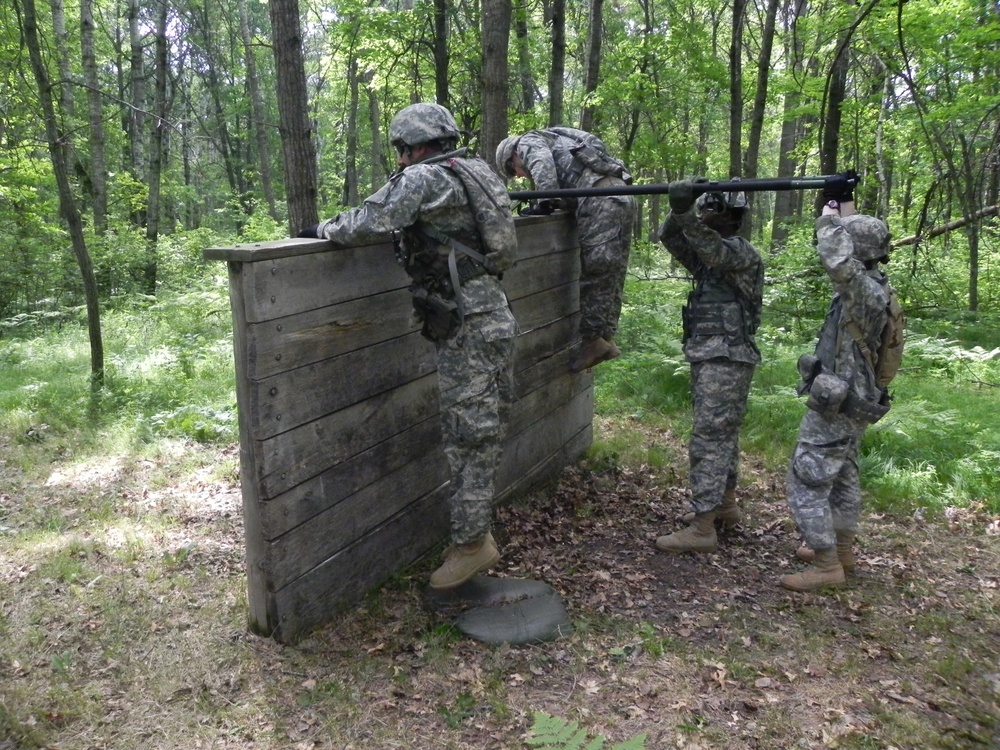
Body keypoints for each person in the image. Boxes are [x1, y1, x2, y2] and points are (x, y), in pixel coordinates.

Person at [297, 103, 518, 591]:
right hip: (491, 312)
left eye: (400, 150)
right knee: (482, 429)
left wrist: (320, 230)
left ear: (413, 146)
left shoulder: (424, 178)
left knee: (469, 434)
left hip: (467, 323)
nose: (399, 159)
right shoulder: (475, 170)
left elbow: (371, 220)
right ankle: (473, 536)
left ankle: (470, 545)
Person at [780, 173, 894, 592]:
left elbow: (835, 258)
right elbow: (846, 258)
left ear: (856, 251)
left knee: (806, 475)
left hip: (840, 403)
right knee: (843, 473)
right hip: (856, 401)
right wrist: (841, 206)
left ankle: (827, 565)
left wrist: (828, 216)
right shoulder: (875, 286)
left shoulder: (863, 290)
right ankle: (842, 551)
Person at [652, 178, 764, 555]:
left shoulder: (738, 253)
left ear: (730, 216)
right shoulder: (708, 258)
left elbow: (712, 251)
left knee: (711, 436)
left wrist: (687, 212)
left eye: (710, 210)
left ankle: (702, 528)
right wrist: (680, 205)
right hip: (713, 356)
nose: (702, 216)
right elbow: (669, 237)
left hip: (728, 358)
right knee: (722, 435)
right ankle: (725, 507)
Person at [496, 127, 636, 373]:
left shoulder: (527, 142)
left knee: (596, 271)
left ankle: (593, 340)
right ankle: (606, 336)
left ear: (513, 155)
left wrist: (544, 201)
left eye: (514, 169)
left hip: (600, 200)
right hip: (621, 193)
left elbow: (541, 164)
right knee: (613, 272)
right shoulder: (557, 140)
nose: (519, 174)